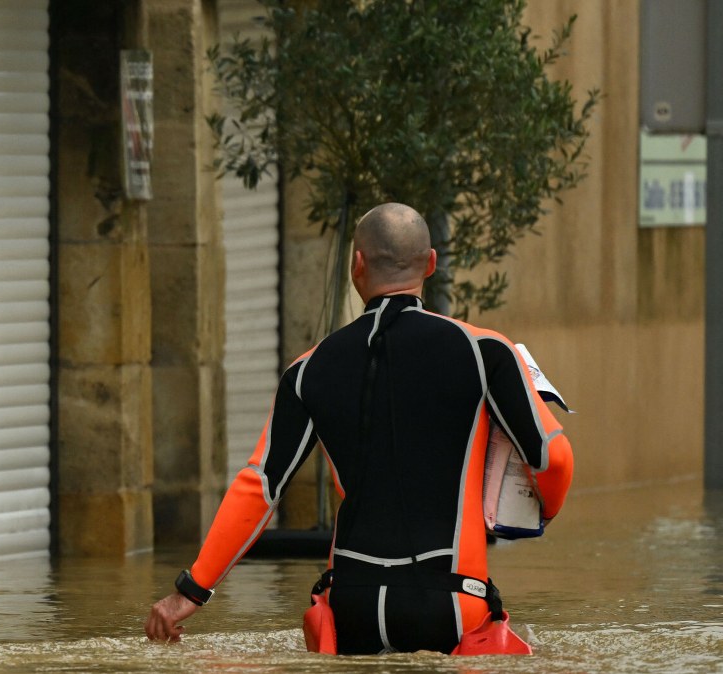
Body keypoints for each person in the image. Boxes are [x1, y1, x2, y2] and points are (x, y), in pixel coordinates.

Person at [145, 202, 574, 654]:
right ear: (430, 263)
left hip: (352, 607)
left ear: (357, 264)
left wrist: (189, 592)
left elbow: (260, 487)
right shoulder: (487, 352)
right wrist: (537, 512)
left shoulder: (309, 370)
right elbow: (553, 458)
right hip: (450, 604)